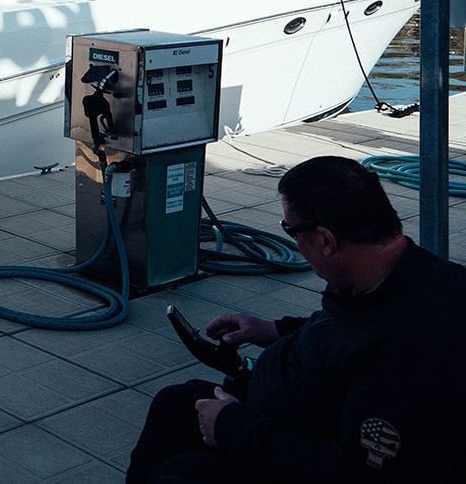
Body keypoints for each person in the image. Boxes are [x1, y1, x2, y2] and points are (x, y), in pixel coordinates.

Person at [126, 155, 466, 483]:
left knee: (177, 474)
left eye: (290, 231)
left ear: (324, 240)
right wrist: (274, 330)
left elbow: (356, 471)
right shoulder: (393, 275)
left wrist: (233, 427)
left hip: (303, 452)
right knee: (174, 404)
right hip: (287, 410)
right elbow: (346, 327)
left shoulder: (410, 352)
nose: (295, 242)